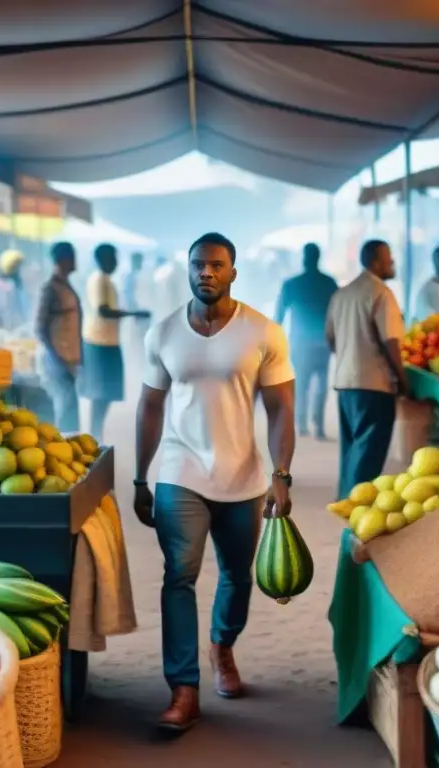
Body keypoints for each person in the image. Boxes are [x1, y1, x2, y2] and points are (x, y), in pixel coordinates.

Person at [134, 232, 295, 732]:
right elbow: (151, 407)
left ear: (233, 272)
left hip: (243, 476)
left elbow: (281, 410)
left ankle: (221, 646)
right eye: (199, 265)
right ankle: (183, 689)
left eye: (216, 265)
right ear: (188, 270)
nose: (206, 272)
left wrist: (281, 475)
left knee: (238, 576)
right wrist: (142, 478)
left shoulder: (263, 332)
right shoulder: (162, 333)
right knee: (179, 576)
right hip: (180, 473)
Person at [326, 239, 409, 500]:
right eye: (388, 258)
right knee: (369, 452)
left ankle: (345, 501)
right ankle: (357, 505)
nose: (392, 262)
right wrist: (403, 380)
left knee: (352, 448)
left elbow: (329, 338)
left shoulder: (342, 293)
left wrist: (351, 355)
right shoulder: (381, 293)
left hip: (345, 383)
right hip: (374, 385)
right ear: (375, 262)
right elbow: (391, 341)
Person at [80, 243, 149, 441]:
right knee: (100, 394)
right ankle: (94, 436)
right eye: (114, 258)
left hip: (108, 341)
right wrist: (133, 313)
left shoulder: (106, 281)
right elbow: (103, 310)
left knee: (106, 393)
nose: (116, 262)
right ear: (104, 259)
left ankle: (96, 434)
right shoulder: (98, 280)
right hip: (99, 342)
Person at [274, 243, 337, 440]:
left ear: (304, 258)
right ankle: (317, 426)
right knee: (321, 386)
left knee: (301, 385)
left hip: (300, 344)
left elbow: (279, 316)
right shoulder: (329, 283)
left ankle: (301, 424)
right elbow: (337, 314)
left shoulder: (292, 284)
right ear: (318, 258)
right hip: (323, 343)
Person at [35, 242, 83, 434]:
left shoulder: (65, 286)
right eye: (72, 257)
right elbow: (40, 327)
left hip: (66, 358)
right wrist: (56, 357)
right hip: (56, 360)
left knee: (70, 408)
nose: (75, 261)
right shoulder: (50, 288)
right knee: (66, 408)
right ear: (64, 260)